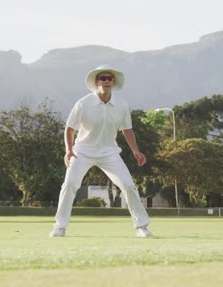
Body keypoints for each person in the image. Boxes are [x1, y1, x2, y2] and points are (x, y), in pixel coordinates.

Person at [49, 65, 153, 238]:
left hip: (109, 152)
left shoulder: (122, 105)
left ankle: (141, 227)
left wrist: (136, 150)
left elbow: (127, 130)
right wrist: (68, 150)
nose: (106, 81)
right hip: (81, 151)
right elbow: (69, 128)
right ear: (96, 82)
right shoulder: (83, 103)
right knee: (69, 184)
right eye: (103, 78)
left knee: (128, 185)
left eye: (109, 79)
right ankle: (59, 227)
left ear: (113, 83)